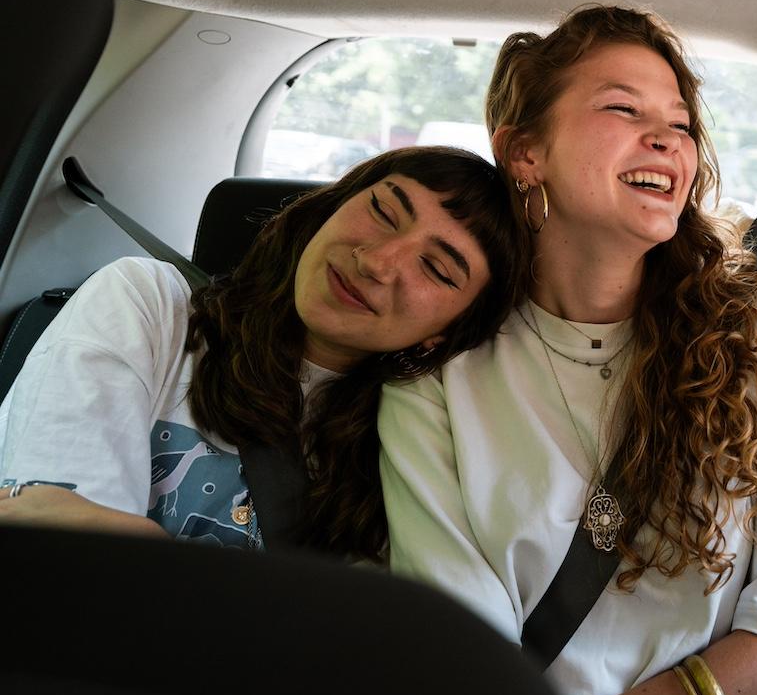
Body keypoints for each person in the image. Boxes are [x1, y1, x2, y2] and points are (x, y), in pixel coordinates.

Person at [379, 6, 757, 695]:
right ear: (525, 153)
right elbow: (462, 651)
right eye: (622, 108)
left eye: (680, 122)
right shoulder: (440, 363)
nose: (667, 137)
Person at [0, 146, 519, 560]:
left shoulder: (413, 444)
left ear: (446, 334)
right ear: (334, 205)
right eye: (383, 210)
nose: (379, 263)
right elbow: (60, 564)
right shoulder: (150, 304)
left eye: (438, 269)